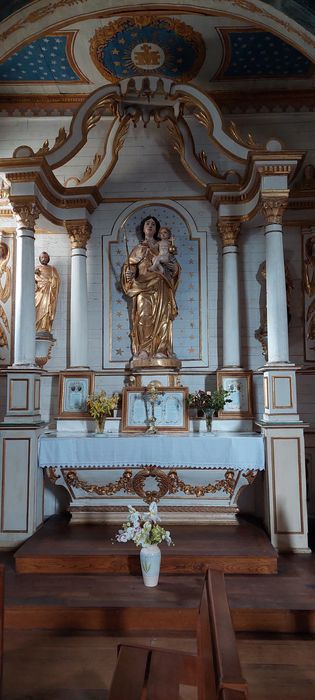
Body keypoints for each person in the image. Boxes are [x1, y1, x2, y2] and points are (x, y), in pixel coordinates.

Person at [120, 215, 180, 360]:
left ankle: (161, 350)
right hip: (142, 286)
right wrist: (129, 273)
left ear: (157, 229)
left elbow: (174, 266)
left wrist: (174, 267)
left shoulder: (163, 245)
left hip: (161, 283)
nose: (150, 226)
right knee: (143, 316)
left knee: (163, 317)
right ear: (143, 228)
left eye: (153, 224)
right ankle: (144, 350)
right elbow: (130, 267)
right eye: (147, 223)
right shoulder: (138, 248)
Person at [35, 251, 60, 335]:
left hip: (49, 292)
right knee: (38, 308)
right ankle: (37, 327)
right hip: (40, 293)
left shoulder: (52, 269)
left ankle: (44, 327)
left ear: (48, 258)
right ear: (39, 259)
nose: (44, 259)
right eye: (42, 257)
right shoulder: (37, 269)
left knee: (47, 309)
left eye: (45, 257)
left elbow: (57, 280)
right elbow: (33, 281)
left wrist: (52, 281)